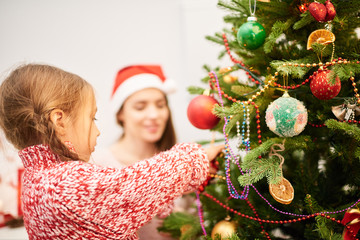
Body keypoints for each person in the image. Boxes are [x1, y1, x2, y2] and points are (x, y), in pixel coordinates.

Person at [0, 63, 224, 239]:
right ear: (59, 121)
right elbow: (132, 184)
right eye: (92, 118)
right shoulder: (63, 183)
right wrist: (198, 156)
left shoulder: (38, 177)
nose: (97, 131)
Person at [92, 65, 182, 239]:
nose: (154, 115)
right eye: (140, 107)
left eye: (160, 105)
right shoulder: (98, 165)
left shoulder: (178, 162)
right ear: (120, 114)